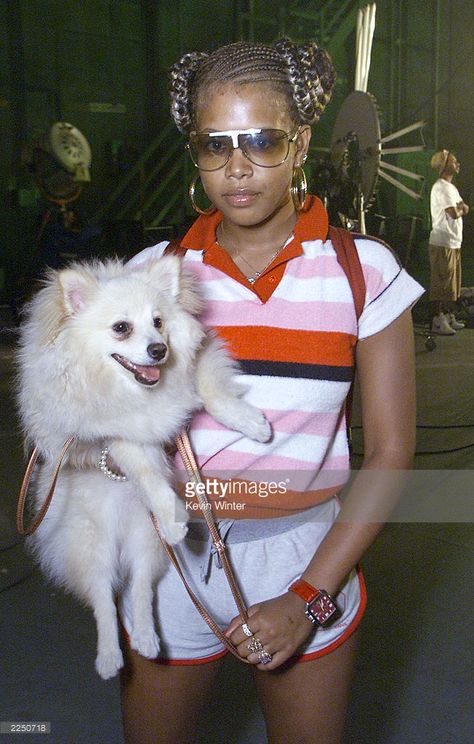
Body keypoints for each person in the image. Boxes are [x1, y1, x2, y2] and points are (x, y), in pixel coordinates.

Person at [119, 38, 424, 744]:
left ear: (301, 141)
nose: (237, 168)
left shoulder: (361, 272)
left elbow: (390, 449)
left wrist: (308, 597)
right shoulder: (148, 278)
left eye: (261, 140)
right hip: (171, 558)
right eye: (213, 144)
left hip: (306, 555)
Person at [428, 149, 470, 334]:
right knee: (441, 282)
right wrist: (461, 210)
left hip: (453, 241)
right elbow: (455, 211)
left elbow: (463, 207)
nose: (457, 164)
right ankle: (437, 319)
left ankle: (447, 315)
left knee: (451, 284)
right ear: (445, 167)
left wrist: (461, 209)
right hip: (442, 241)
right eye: (454, 162)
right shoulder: (441, 187)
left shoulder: (451, 188)